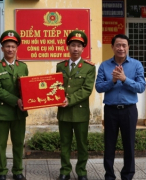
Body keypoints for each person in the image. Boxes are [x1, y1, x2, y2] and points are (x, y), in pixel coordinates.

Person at [95, 34, 146, 180]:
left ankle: (127, 175)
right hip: (110, 110)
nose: (121, 48)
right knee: (109, 145)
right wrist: (112, 80)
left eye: (124, 45)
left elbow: (141, 87)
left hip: (129, 110)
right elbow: (98, 87)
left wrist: (125, 80)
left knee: (129, 145)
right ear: (112, 47)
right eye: (118, 45)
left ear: (128, 47)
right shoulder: (105, 65)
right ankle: (109, 175)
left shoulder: (137, 65)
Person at [0, 30, 28, 180]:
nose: (10, 49)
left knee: (18, 143)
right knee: (1, 144)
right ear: (2, 48)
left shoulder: (22, 66)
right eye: (7, 46)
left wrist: (30, 100)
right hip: (2, 112)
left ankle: (18, 170)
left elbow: (26, 88)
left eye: (13, 46)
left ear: (17, 48)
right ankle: (2, 171)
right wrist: (16, 100)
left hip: (19, 112)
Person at [56, 30, 96, 180]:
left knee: (82, 144)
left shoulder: (89, 67)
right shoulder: (60, 66)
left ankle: (81, 171)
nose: (76, 49)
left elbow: (86, 89)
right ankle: (65, 170)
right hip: (64, 112)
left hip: (80, 112)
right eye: (73, 45)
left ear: (83, 48)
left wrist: (69, 99)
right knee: (64, 143)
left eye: (79, 46)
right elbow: (56, 86)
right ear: (68, 47)